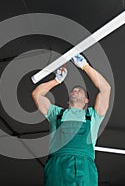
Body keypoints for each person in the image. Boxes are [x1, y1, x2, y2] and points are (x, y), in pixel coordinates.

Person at [32, 54, 111, 186]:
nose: (76, 90)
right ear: (68, 100)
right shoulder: (56, 113)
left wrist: (85, 66)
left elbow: (105, 89)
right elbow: (37, 94)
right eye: (74, 90)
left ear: (86, 100)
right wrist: (56, 81)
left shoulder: (93, 116)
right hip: (58, 166)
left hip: (85, 166)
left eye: (80, 90)